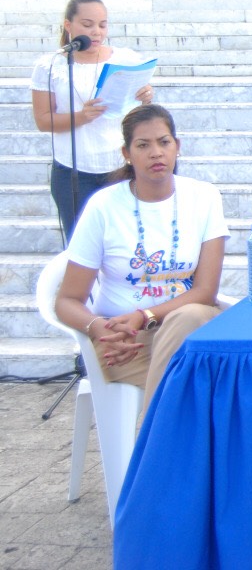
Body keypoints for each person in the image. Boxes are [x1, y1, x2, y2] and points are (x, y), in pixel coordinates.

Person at [54, 105, 226, 411]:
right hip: (125, 343)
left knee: (187, 320)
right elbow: (67, 300)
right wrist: (98, 327)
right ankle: (164, 435)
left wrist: (145, 315)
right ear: (127, 153)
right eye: (143, 145)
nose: (156, 153)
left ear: (177, 146)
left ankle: (152, 438)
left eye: (164, 142)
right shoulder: (104, 206)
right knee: (203, 378)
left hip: (192, 330)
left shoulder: (204, 197)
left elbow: (205, 292)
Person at [31, 0, 155, 243]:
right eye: (87, 25)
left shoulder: (125, 59)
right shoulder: (50, 65)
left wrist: (146, 97)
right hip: (73, 172)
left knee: (124, 242)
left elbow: (138, 111)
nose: (96, 32)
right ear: (69, 25)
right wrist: (81, 117)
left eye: (102, 25)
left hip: (119, 167)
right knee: (81, 244)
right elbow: (43, 120)